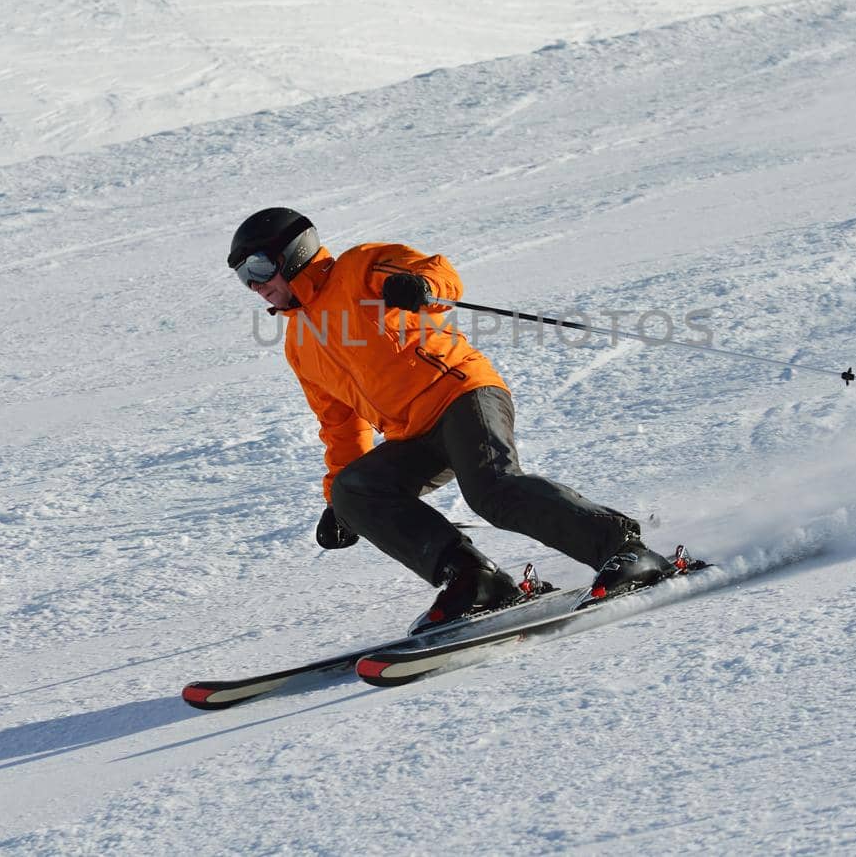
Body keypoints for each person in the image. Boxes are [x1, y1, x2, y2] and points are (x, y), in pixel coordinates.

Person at [228, 206, 674, 631]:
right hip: (413, 434)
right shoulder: (298, 342)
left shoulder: (358, 268)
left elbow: (438, 273)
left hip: (461, 394)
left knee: (492, 488)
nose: (255, 285)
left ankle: (625, 551)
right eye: (244, 278)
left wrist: (421, 286)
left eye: (260, 268)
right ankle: (475, 580)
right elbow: (340, 424)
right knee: (355, 492)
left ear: (295, 252)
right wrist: (337, 504)